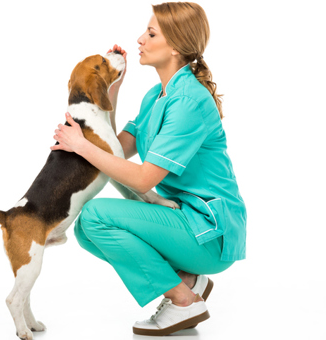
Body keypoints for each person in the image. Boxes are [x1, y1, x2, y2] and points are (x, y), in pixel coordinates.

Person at [51, 2, 246, 336]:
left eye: (151, 33)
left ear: (175, 47)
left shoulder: (188, 101)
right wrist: (113, 89)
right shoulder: (157, 95)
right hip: (184, 220)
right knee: (87, 230)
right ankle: (186, 279)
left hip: (210, 233)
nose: (140, 39)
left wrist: (81, 145)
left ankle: (183, 300)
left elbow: (143, 178)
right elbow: (119, 149)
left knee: (96, 215)